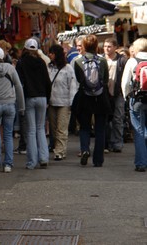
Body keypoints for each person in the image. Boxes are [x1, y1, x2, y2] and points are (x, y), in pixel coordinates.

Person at [74, 35, 110, 167]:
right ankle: (98, 160)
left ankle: (84, 149)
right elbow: (105, 80)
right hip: (100, 97)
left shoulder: (78, 61)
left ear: (83, 45)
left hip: (84, 96)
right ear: (96, 46)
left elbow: (78, 79)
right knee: (100, 128)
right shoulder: (102, 61)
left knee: (84, 127)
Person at [16, 38, 51, 169]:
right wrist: (48, 97)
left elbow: (20, 83)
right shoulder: (41, 62)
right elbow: (48, 82)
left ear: (25, 48)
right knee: (40, 128)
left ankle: (32, 162)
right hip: (42, 97)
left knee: (31, 130)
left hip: (29, 98)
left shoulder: (21, 62)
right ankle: (43, 158)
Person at [47, 44, 77, 161]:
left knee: (61, 128)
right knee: (53, 129)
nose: (50, 55)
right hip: (51, 102)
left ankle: (60, 151)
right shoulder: (49, 67)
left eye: (52, 53)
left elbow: (73, 86)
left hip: (64, 102)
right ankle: (57, 147)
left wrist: (71, 102)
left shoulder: (68, 68)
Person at [121, 38, 147, 172]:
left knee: (139, 131)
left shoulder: (133, 61)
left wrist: (126, 97)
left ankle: (141, 163)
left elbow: (125, 83)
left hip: (137, 100)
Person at [102, 38, 127, 153]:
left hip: (118, 94)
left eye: (109, 46)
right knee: (105, 119)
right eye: (105, 46)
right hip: (104, 94)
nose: (106, 49)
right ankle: (106, 143)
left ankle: (117, 143)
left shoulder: (122, 60)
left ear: (115, 47)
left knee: (118, 118)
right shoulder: (101, 59)